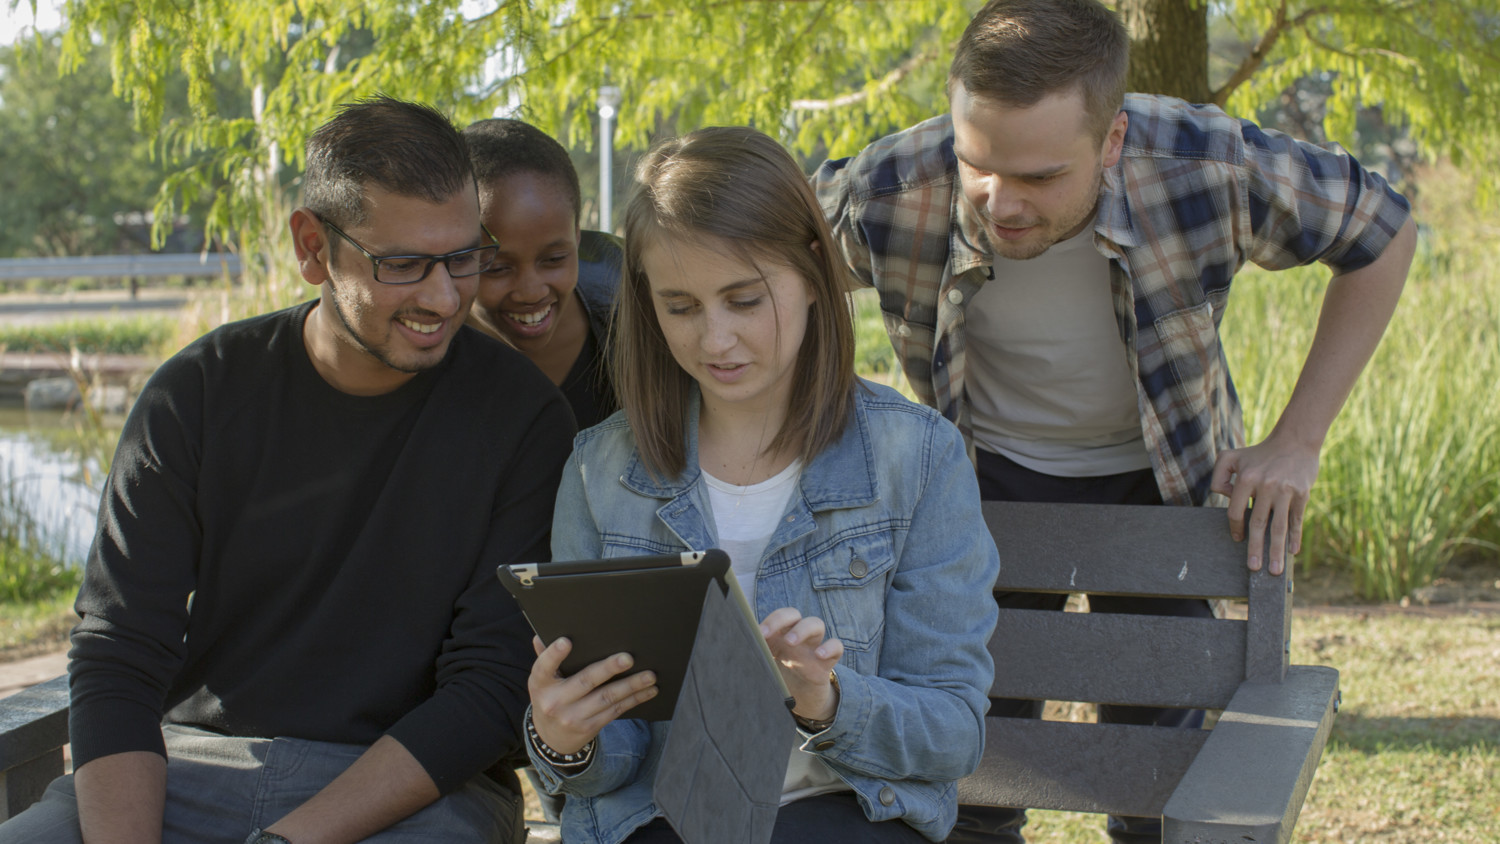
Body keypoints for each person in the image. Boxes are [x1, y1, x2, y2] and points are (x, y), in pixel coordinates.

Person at [811, 1, 1416, 841]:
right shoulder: (895, 184)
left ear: (1115, 139)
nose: (1000, 202)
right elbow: (761, 264)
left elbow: (1382, 233)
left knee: (1157, 792)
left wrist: (1297, 441)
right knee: (970, 777)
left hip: (1162, 483)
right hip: (985, 489)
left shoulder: (1203, 163)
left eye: (1040, 177)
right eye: (979, 163)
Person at [0, 97, 575, 844]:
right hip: (182, 771)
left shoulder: (525, 421)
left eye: (464, 257)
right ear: (313, 247)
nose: (444, 296)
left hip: (414, 796)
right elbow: (119, 648)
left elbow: (489, 688)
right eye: (402, 265)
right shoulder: (197, 395)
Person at [522, 126, 1000, 844]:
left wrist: (826, 702)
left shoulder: (918, 458)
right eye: (680, 307)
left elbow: (953, 733)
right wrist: (564, 735)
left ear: (813, 272)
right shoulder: (599, 468)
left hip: (846, 809)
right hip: (660, 817)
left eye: (744, 300)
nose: (715, 341)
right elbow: (613, 757)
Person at [463, 118, 624, 429]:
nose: (531, 292)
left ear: (576, 237)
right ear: (456, 256)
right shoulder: (421, 348)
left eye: (553, 259)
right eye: (498, 268)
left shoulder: (635, 302)